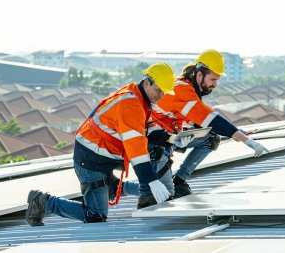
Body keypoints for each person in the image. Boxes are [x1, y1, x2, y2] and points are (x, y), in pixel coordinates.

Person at [25, 62, 179, 226]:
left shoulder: (138, 98)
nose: (161, 95)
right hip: (91, 159)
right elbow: (136, 147)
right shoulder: (130, 104)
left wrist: (172, 139)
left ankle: (113, 186)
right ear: (147, 82)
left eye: (164, 92)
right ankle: (42, 201)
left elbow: (145, 130)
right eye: (158, 90)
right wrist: (152, 181)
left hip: (103, 155)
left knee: (152, 155)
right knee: (95, 215)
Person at [123, 49, 269, 206]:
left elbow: (205, 122)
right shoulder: (182, 90)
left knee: (211, 138)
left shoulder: (189, 90)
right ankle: (119, 187)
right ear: (200, 75)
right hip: (154, 143)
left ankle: (179, 180)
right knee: (163, 196)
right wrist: (247, 141)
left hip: (170, 139)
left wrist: (237, 132)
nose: (215, 84)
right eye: (213, 79)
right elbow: (212, 120)